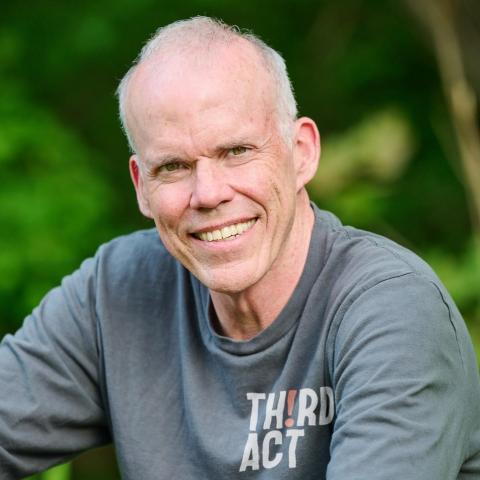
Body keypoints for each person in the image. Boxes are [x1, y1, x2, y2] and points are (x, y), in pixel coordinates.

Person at [1, 16, 480, 480]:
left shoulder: (393, 309)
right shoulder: (117, 293)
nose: (208, 193)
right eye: (172, 166)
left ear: (302, 152)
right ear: (141, 186)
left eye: (236, 151)